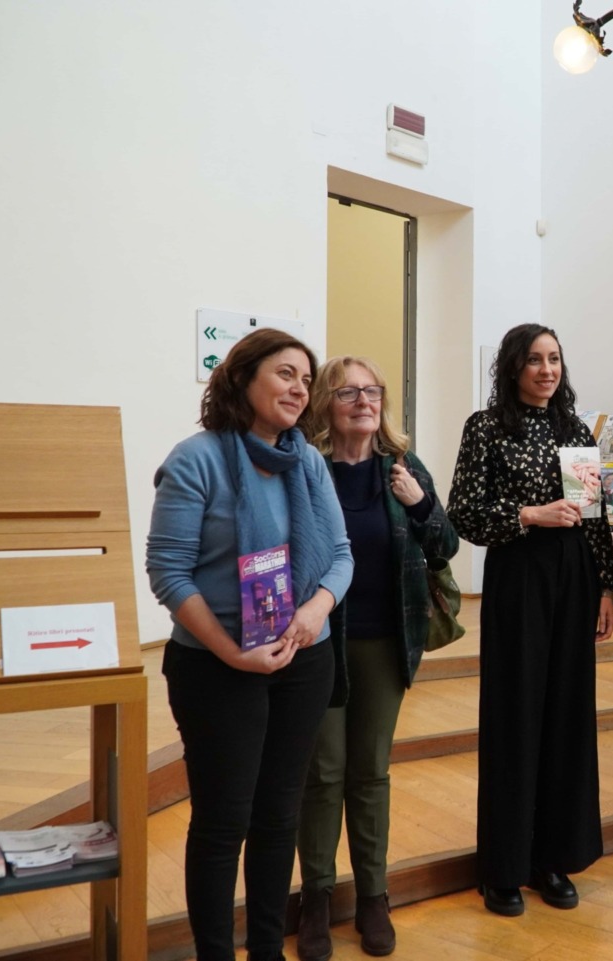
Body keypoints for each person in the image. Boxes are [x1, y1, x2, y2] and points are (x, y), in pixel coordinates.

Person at [146, 328, 352, 961]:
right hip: (216, 664)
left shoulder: (307, 461)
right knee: (222, 821)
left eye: (306, 379)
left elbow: (340, 556)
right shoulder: (196, 459)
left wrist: (315, 610)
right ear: (241, 378)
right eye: (286, 373)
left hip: (303, 658)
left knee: (278, 815)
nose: (300, 389)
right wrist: (232, 652)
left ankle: (267, 949)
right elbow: (169, 572)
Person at [447, 323, 613, 917]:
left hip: (575, 578)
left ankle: (554, 857)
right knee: (515, 716)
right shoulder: (487, 427)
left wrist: (605, 587)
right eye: (534, 360)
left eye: (554, 359)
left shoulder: (575, 430)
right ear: (513, 367)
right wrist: (529, 514)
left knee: (567, 716)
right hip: (519, 577)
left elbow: (594, 516)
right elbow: (463, 513)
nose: (547, 370)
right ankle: (502, 868)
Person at [295, 356, 458, 960]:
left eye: (372, 391)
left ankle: (373, 897)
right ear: (324, 404)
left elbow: (445, 545)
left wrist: (419, 504)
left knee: (369, 771)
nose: (364, 401)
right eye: (348, 393)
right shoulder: (307, 467)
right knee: (323, 772)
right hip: (318, 641)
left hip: (386, 641)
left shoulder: (404, 467)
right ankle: (316, 898)